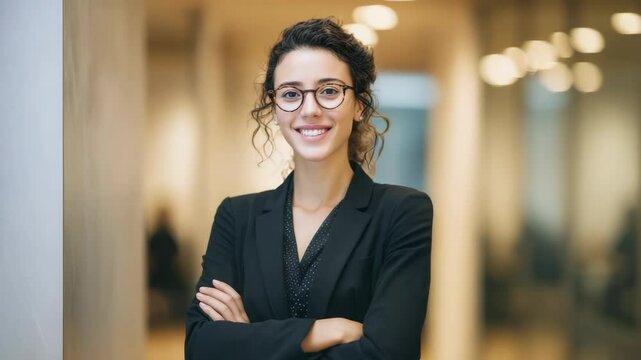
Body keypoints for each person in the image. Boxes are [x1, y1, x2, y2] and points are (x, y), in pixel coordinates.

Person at [185, 18, 433, 360]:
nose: (310, 109)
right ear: (275, 108)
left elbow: (390, 353)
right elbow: (201, 346)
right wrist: (321, 331)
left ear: (359, 104)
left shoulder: (401, 213)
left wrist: (249, 342)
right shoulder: (236, 218)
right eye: (291, 94)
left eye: (329, 90)